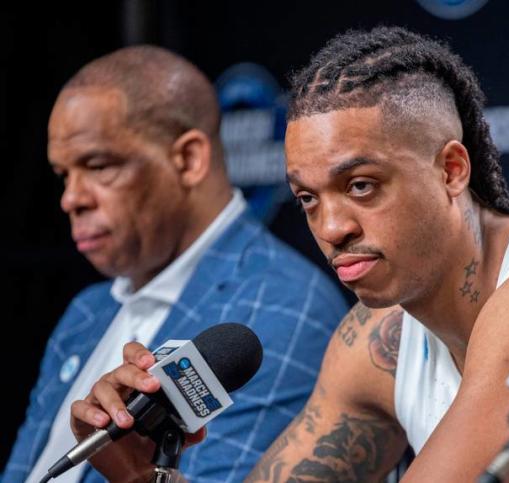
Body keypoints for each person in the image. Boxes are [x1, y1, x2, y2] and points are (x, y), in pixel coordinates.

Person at [73, 28, 509, 482]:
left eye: (360, 186)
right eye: (307, 198)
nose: (330, 226)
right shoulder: (376, 341)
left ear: (452, 169)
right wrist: (150, 471)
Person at [3, 46, 347, 483]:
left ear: (188, 159)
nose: (71, 198)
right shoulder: (86, 311)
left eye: (97, 165)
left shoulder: (281, 307)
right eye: (64, 175)